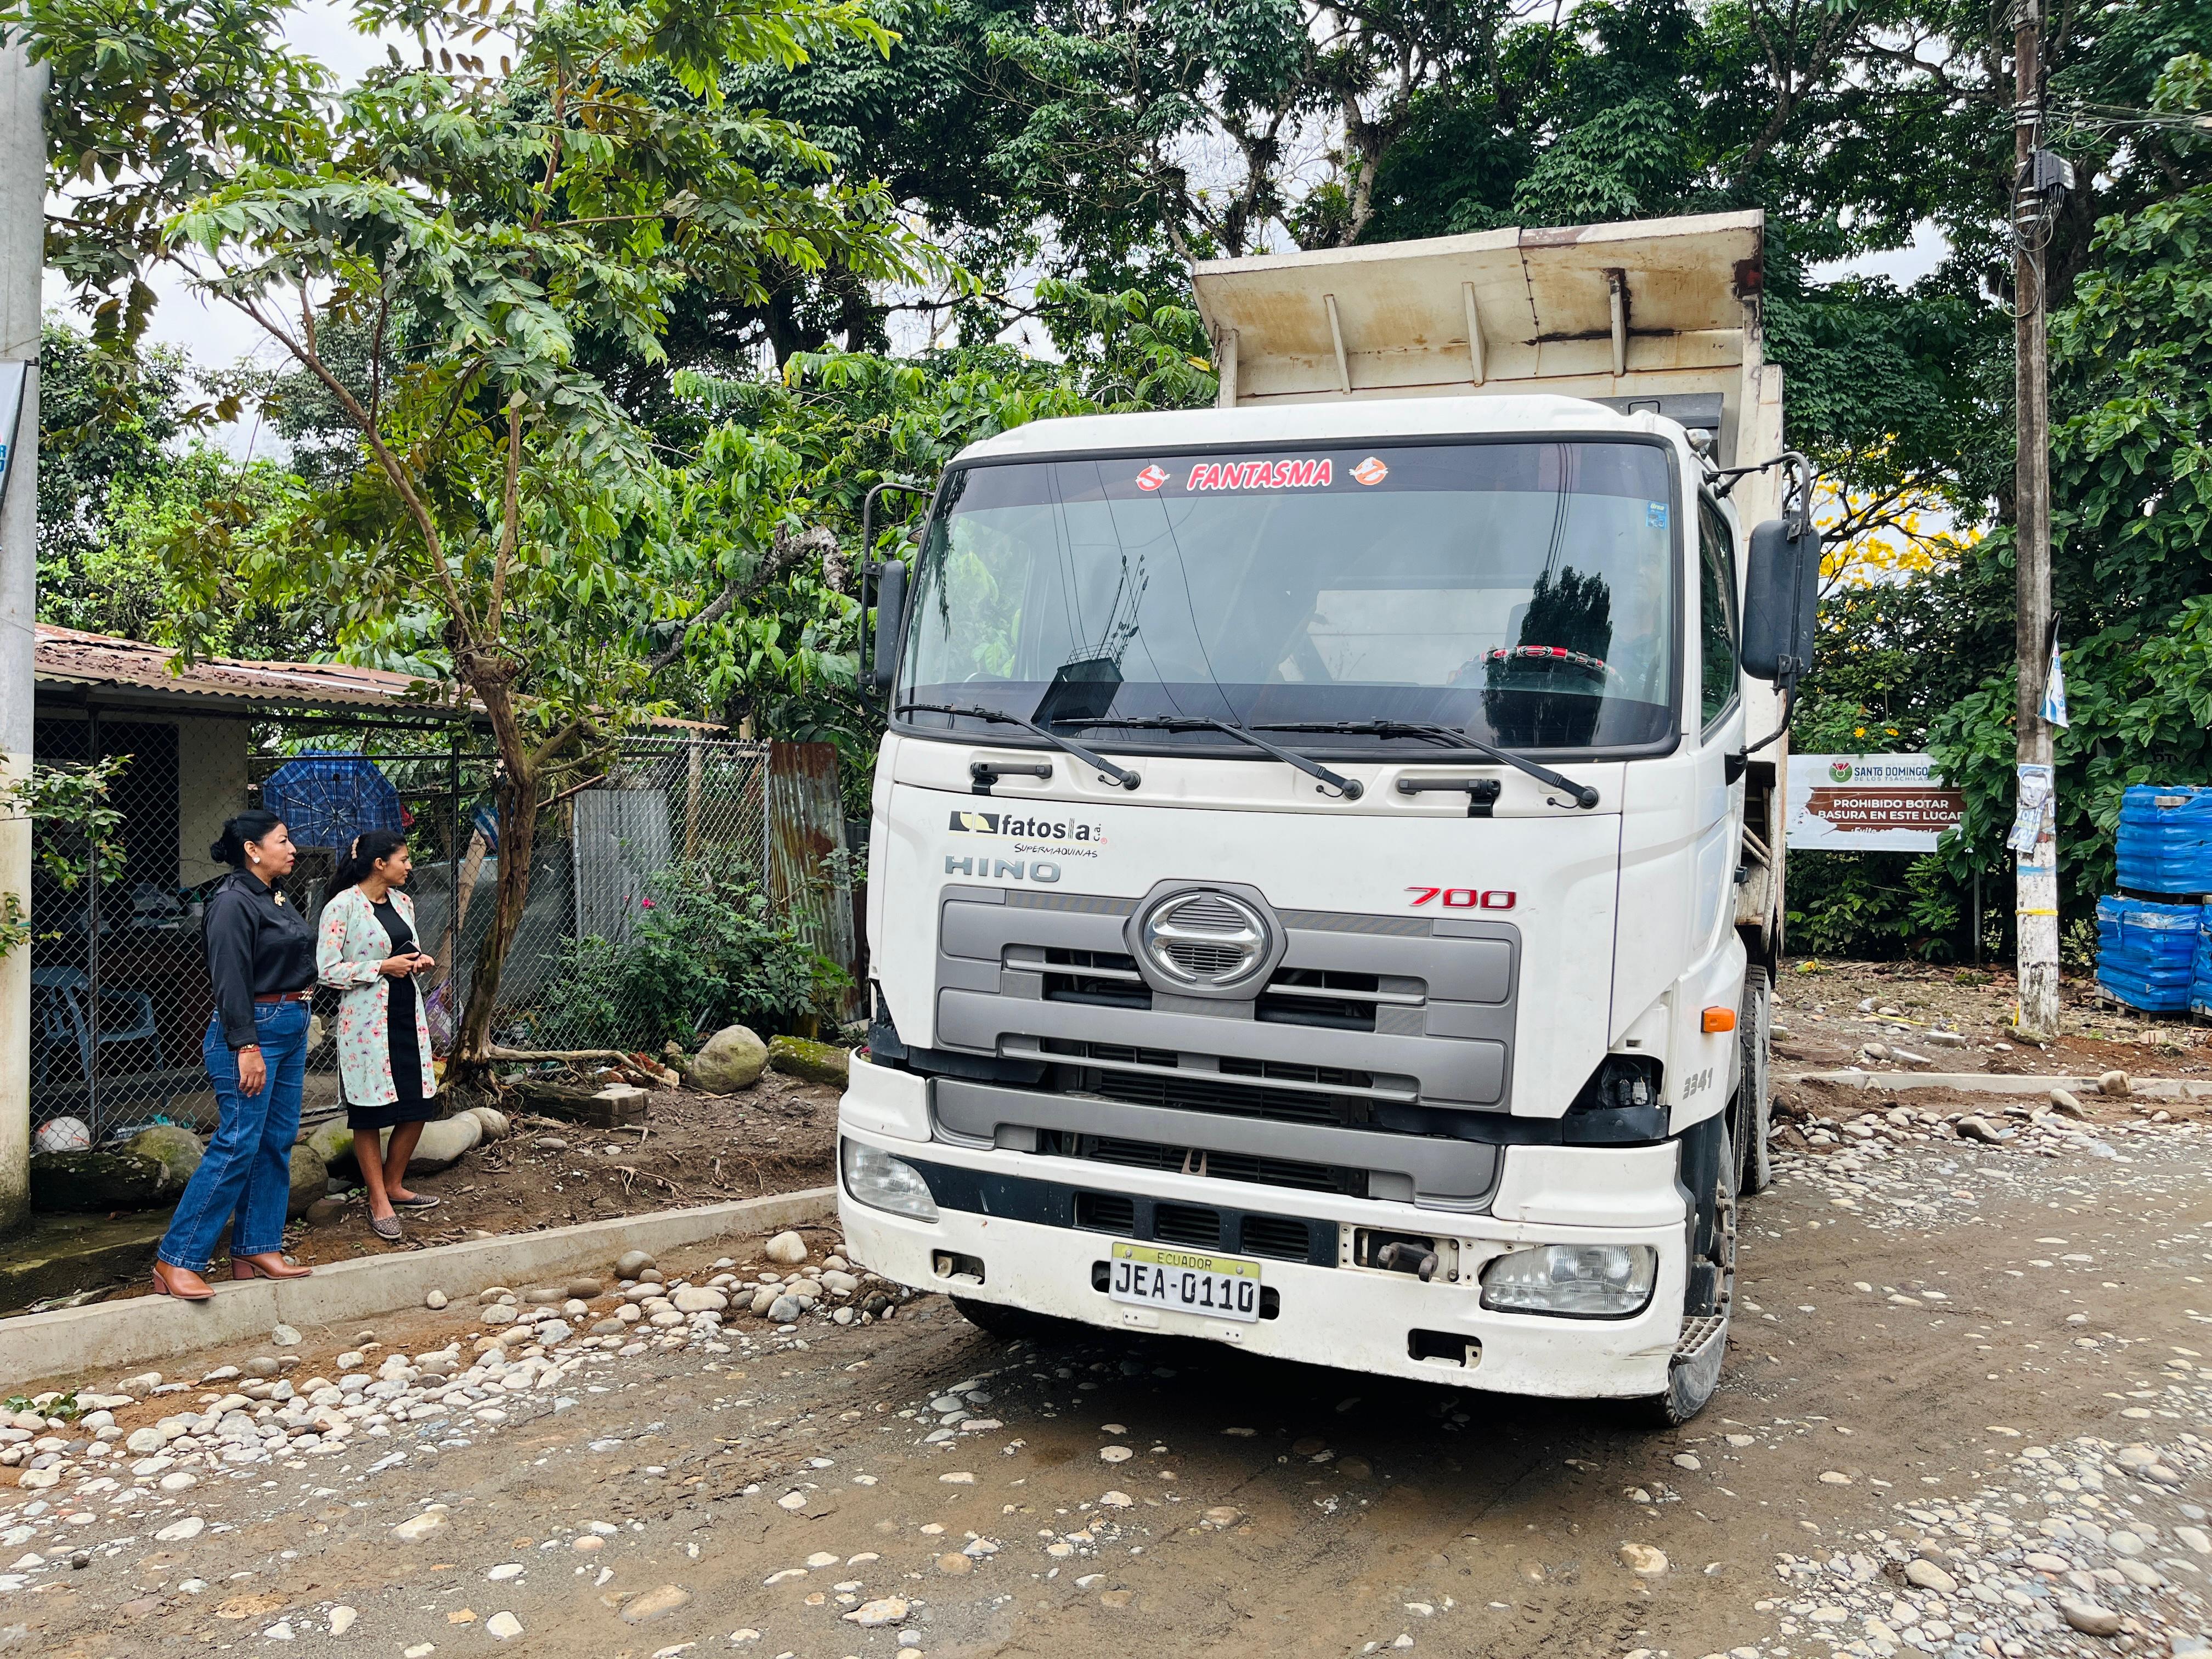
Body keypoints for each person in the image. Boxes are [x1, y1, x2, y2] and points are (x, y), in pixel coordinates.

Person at [153, 810, 318, 1299]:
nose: (292, 849)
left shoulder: (274, 896)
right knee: (238, 1142)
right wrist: (246, 1045)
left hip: (291, 1023)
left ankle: (256, 1247)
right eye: (282, 841)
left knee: (276, 1140)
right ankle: (176, 1259)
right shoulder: (231, 901)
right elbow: (229, 979)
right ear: (252, 849)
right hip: (254, 1030)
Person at [317, 829, 440, 1241]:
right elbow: (327, 971)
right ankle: (377, 1199)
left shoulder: (403, 903)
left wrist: (417, 961)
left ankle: (394, 1184)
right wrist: (382, 968)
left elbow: (402, 950)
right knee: (369, 1112)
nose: (409, 866)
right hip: (366, 1023)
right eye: (403, 859)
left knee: (418, 1103)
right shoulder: (342, 907)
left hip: (406, 1013)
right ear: (379, 863)